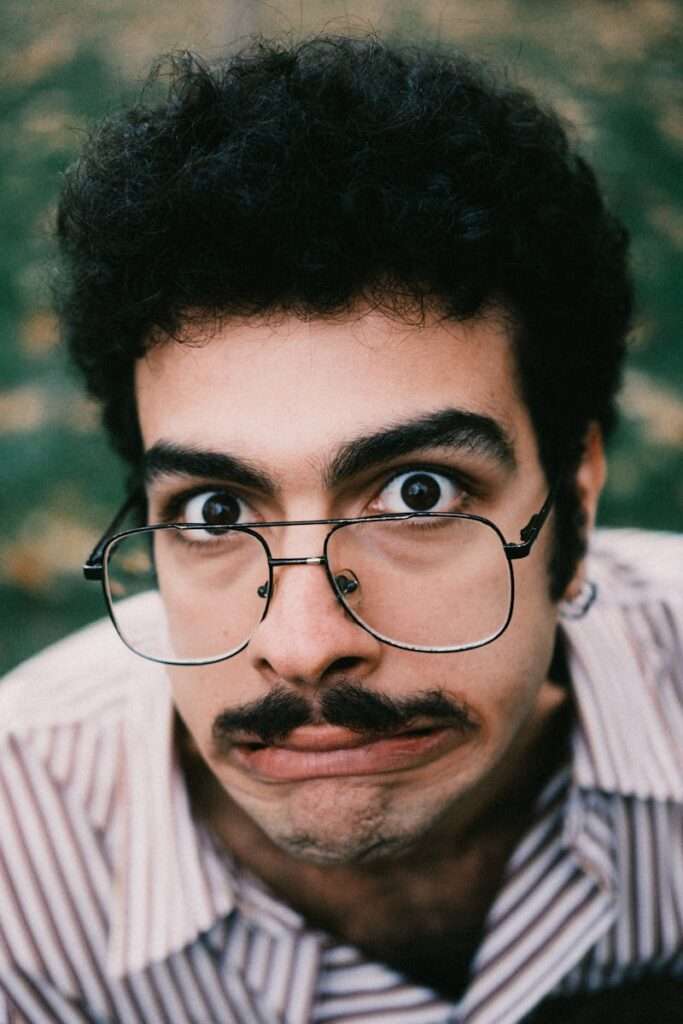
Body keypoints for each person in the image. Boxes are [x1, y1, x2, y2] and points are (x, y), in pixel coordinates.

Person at [0, 33, 680, 1024]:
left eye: (416, 494)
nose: (303, 646)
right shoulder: (22, 875)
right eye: (214, 511)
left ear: (572, 495)